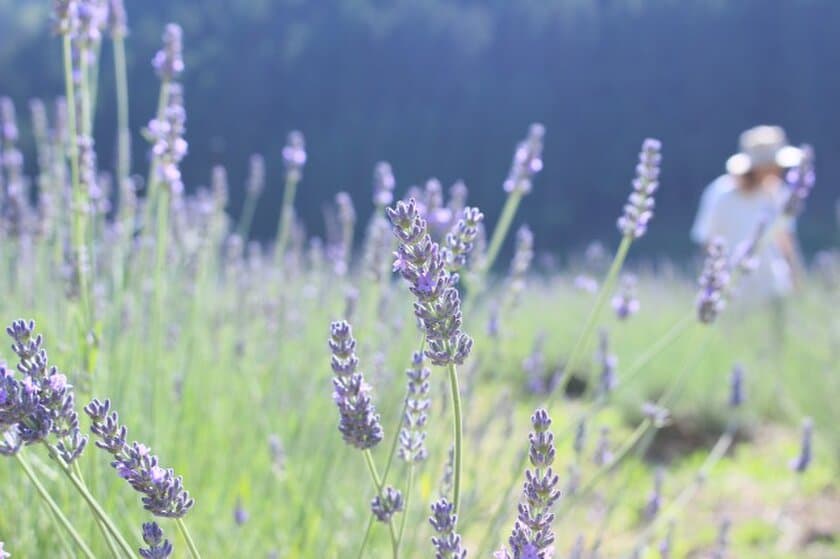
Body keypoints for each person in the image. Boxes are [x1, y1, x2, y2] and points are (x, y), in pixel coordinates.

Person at [691, 125, 803, 303]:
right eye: (775, 165)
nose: (780, 171)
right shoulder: (720, 194)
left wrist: (796, 278)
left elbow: (787, 242)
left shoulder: (777, 193)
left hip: (773, 290)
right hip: (732, 291)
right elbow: (706, 242)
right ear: (761, 167)